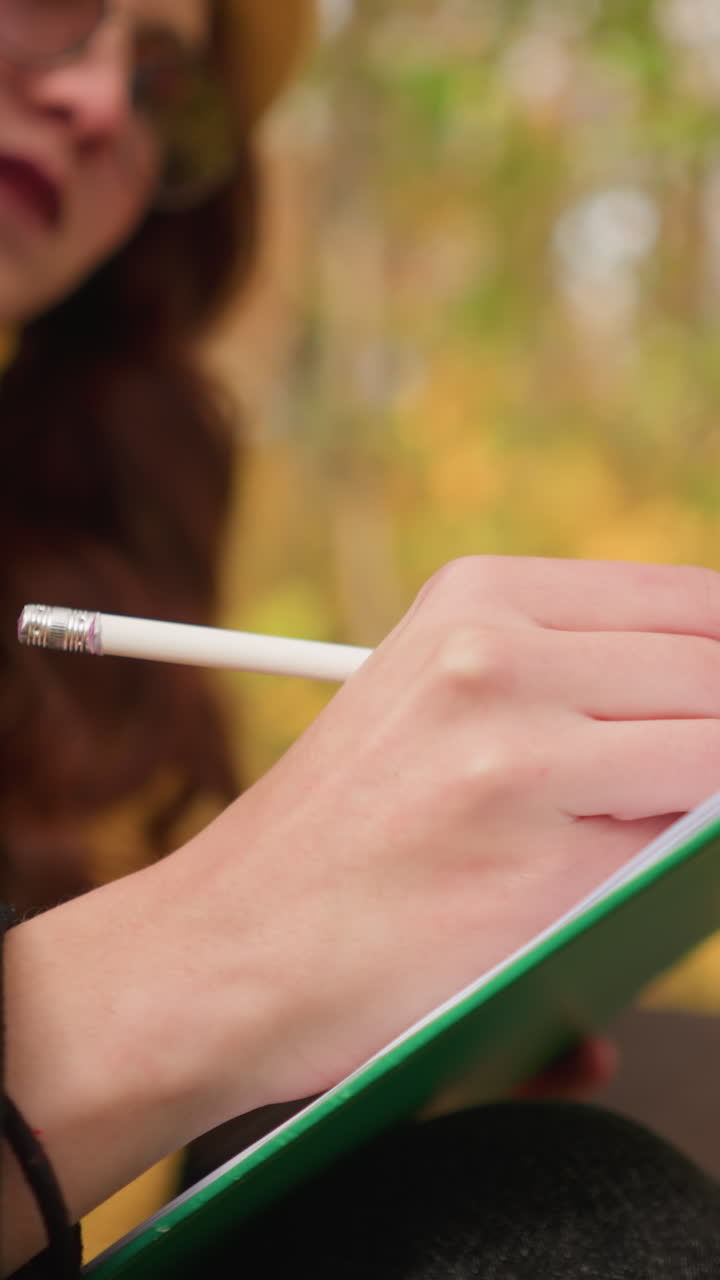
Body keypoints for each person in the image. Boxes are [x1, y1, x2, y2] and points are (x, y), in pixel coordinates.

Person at [2, 3, 720, 1277]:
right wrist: (223, 947)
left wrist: (354, 1049)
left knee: (614, 1114)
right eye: (57, 6)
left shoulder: (96, 509)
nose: (106, 103)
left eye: (171, 84)